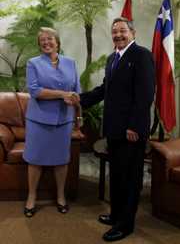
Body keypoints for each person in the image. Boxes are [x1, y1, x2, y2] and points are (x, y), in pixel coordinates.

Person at [80, 17, 155, 241]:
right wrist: (80, 99)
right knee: (117, 175)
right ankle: (115, 215)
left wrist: (134, 125)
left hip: (131, 130)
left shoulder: (142, 55)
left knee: (129, 179)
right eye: (114, 32)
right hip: (113, 129)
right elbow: (106, 89)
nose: (118, 35)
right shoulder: (113, 57)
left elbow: (145, 94)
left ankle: (125, 225)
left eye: (122, 31)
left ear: (133, 32)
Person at [23, 27, 80, 217]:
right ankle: (31, 197)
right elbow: (35, 91)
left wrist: (74, 100)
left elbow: (76, 91)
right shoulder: (33, 63)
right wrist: (62, 94)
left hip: (63, 120)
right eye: (42, 40)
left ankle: (61, 196)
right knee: (35, 159)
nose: (46, 42)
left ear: (57, 42)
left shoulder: (71, 63)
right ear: (39, 45)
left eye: (50, 39)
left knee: (61, 161)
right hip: (38, 120)